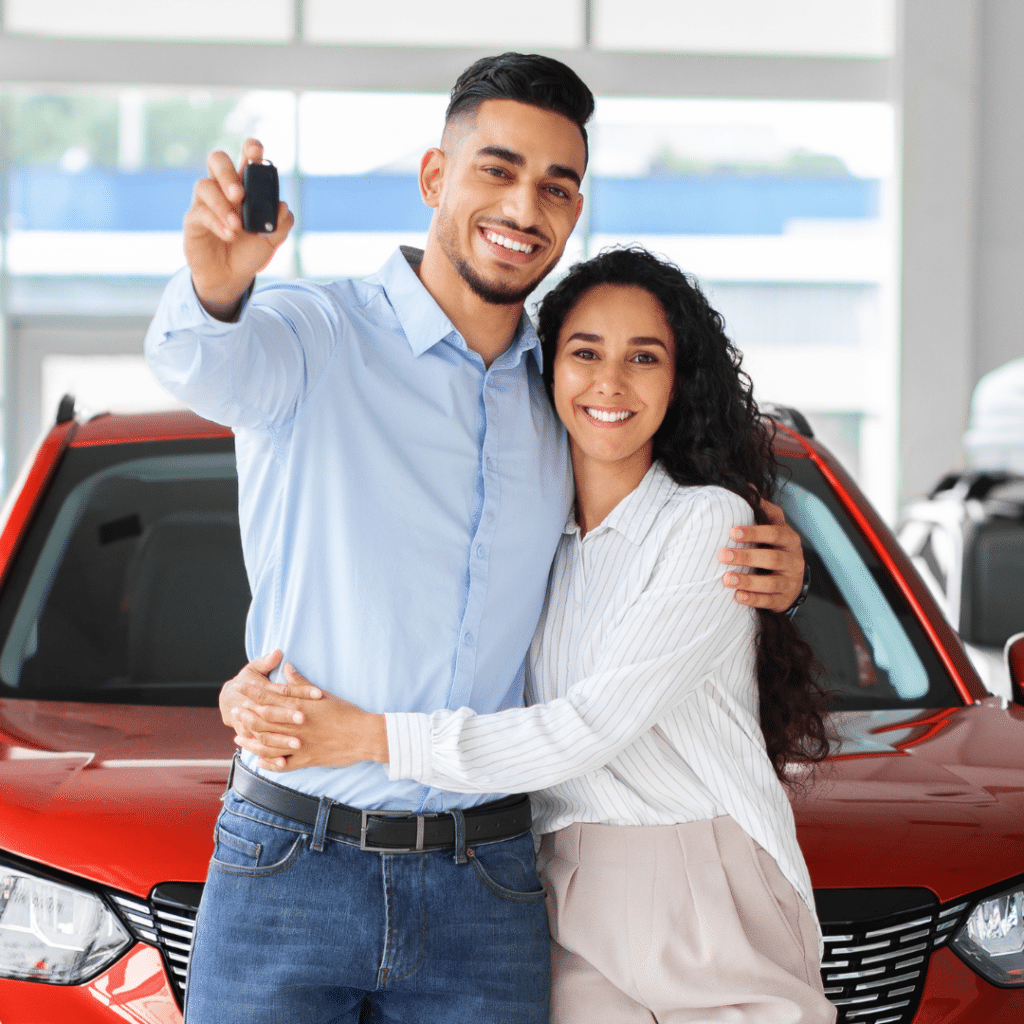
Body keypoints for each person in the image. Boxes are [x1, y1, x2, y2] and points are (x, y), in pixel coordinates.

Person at [146, 53, 807, 1024]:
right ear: (433, 178)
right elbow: (205, 366)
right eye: (496, 169)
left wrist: (779, 570)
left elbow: (635, 545)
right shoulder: (317, 331)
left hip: (488, 881)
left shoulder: (566, 389)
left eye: (555, 185)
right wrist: (211, 287)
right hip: (292, 858)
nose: (524, 206)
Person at [229, 247, 835, 1023]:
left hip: (700, 879)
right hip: (553, 883)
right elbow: (412, 621)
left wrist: (370, 737)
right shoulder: (537, 536)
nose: (610, 382)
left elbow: (589, 728)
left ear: (680, 380)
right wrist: (252, 680)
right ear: (547, 372)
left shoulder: (707, 520)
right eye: (584, 353)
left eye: (643, 357)